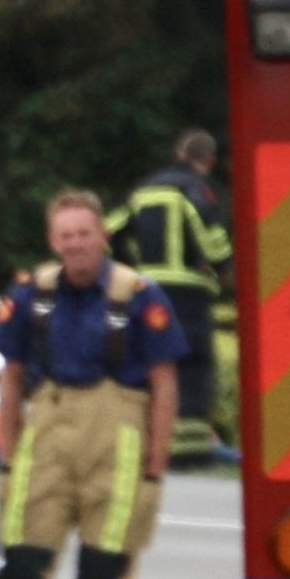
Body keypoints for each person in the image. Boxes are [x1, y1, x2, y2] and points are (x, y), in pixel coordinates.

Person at [0, 191, 184, 579]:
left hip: (120, 443)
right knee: (20, 571)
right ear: (53, 241)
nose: (76, 245)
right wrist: (10, 454)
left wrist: (156, 468)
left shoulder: (138, 295)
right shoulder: (31, 294)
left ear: (101, 237)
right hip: (47, 438)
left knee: (103, 577)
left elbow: (164, 384)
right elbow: (11, 376)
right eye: (65, 236)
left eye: (84, 234)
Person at [108, 127, 233, 464]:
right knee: (191, 366)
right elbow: (212, 243)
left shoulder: (144, 191)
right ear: (209, 160)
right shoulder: (196, 190)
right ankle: (190, 452)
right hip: (188, 296)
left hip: (148, 293)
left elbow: (111, 232)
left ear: (179, 154)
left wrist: (129, 268)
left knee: (155, 363)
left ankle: (155, 444)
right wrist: (226, 269)